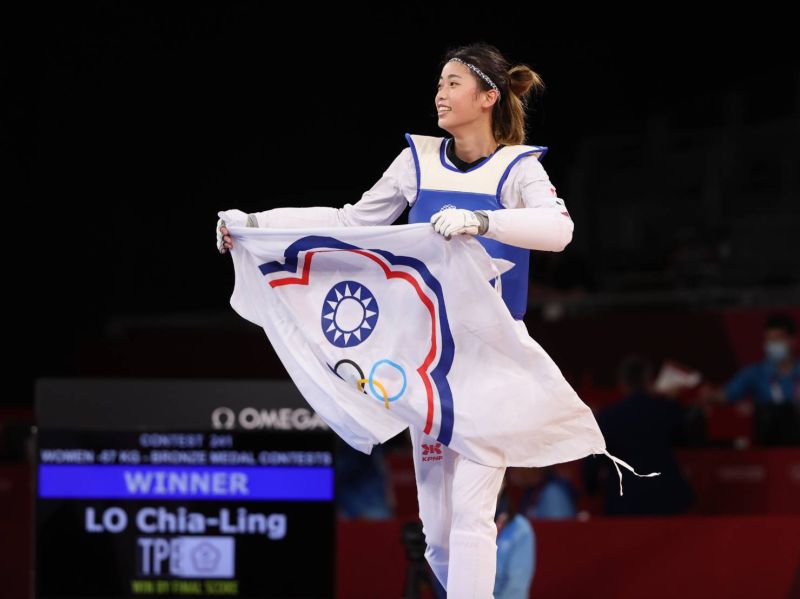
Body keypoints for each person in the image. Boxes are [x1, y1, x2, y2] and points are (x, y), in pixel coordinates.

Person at [218, 42, 575, 596]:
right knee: (437, 536)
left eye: (454, 82)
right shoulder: (415, 161)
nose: (440, 92)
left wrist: (484, 220)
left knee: (473, 517)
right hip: (427, 360)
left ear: (488, 97)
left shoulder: (517, 169)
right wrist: (257, 222)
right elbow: (349, 222)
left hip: (492, 357)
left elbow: (558, 229)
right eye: (439, 82)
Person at [582, 354, 695, 515]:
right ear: (649, 381)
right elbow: (689, 434)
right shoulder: (667, 410)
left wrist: (592, 489)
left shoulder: (608, 417)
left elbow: (591, 465)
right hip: (667, 502)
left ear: (622, 383)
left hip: (624, 504)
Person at [700, 312, 800, 445]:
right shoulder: (754, 373)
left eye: (777, 339)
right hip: (768, 443)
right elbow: (725, 395)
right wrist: (710, 395)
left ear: (793, 341)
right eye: (769, 340)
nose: (772, 345)